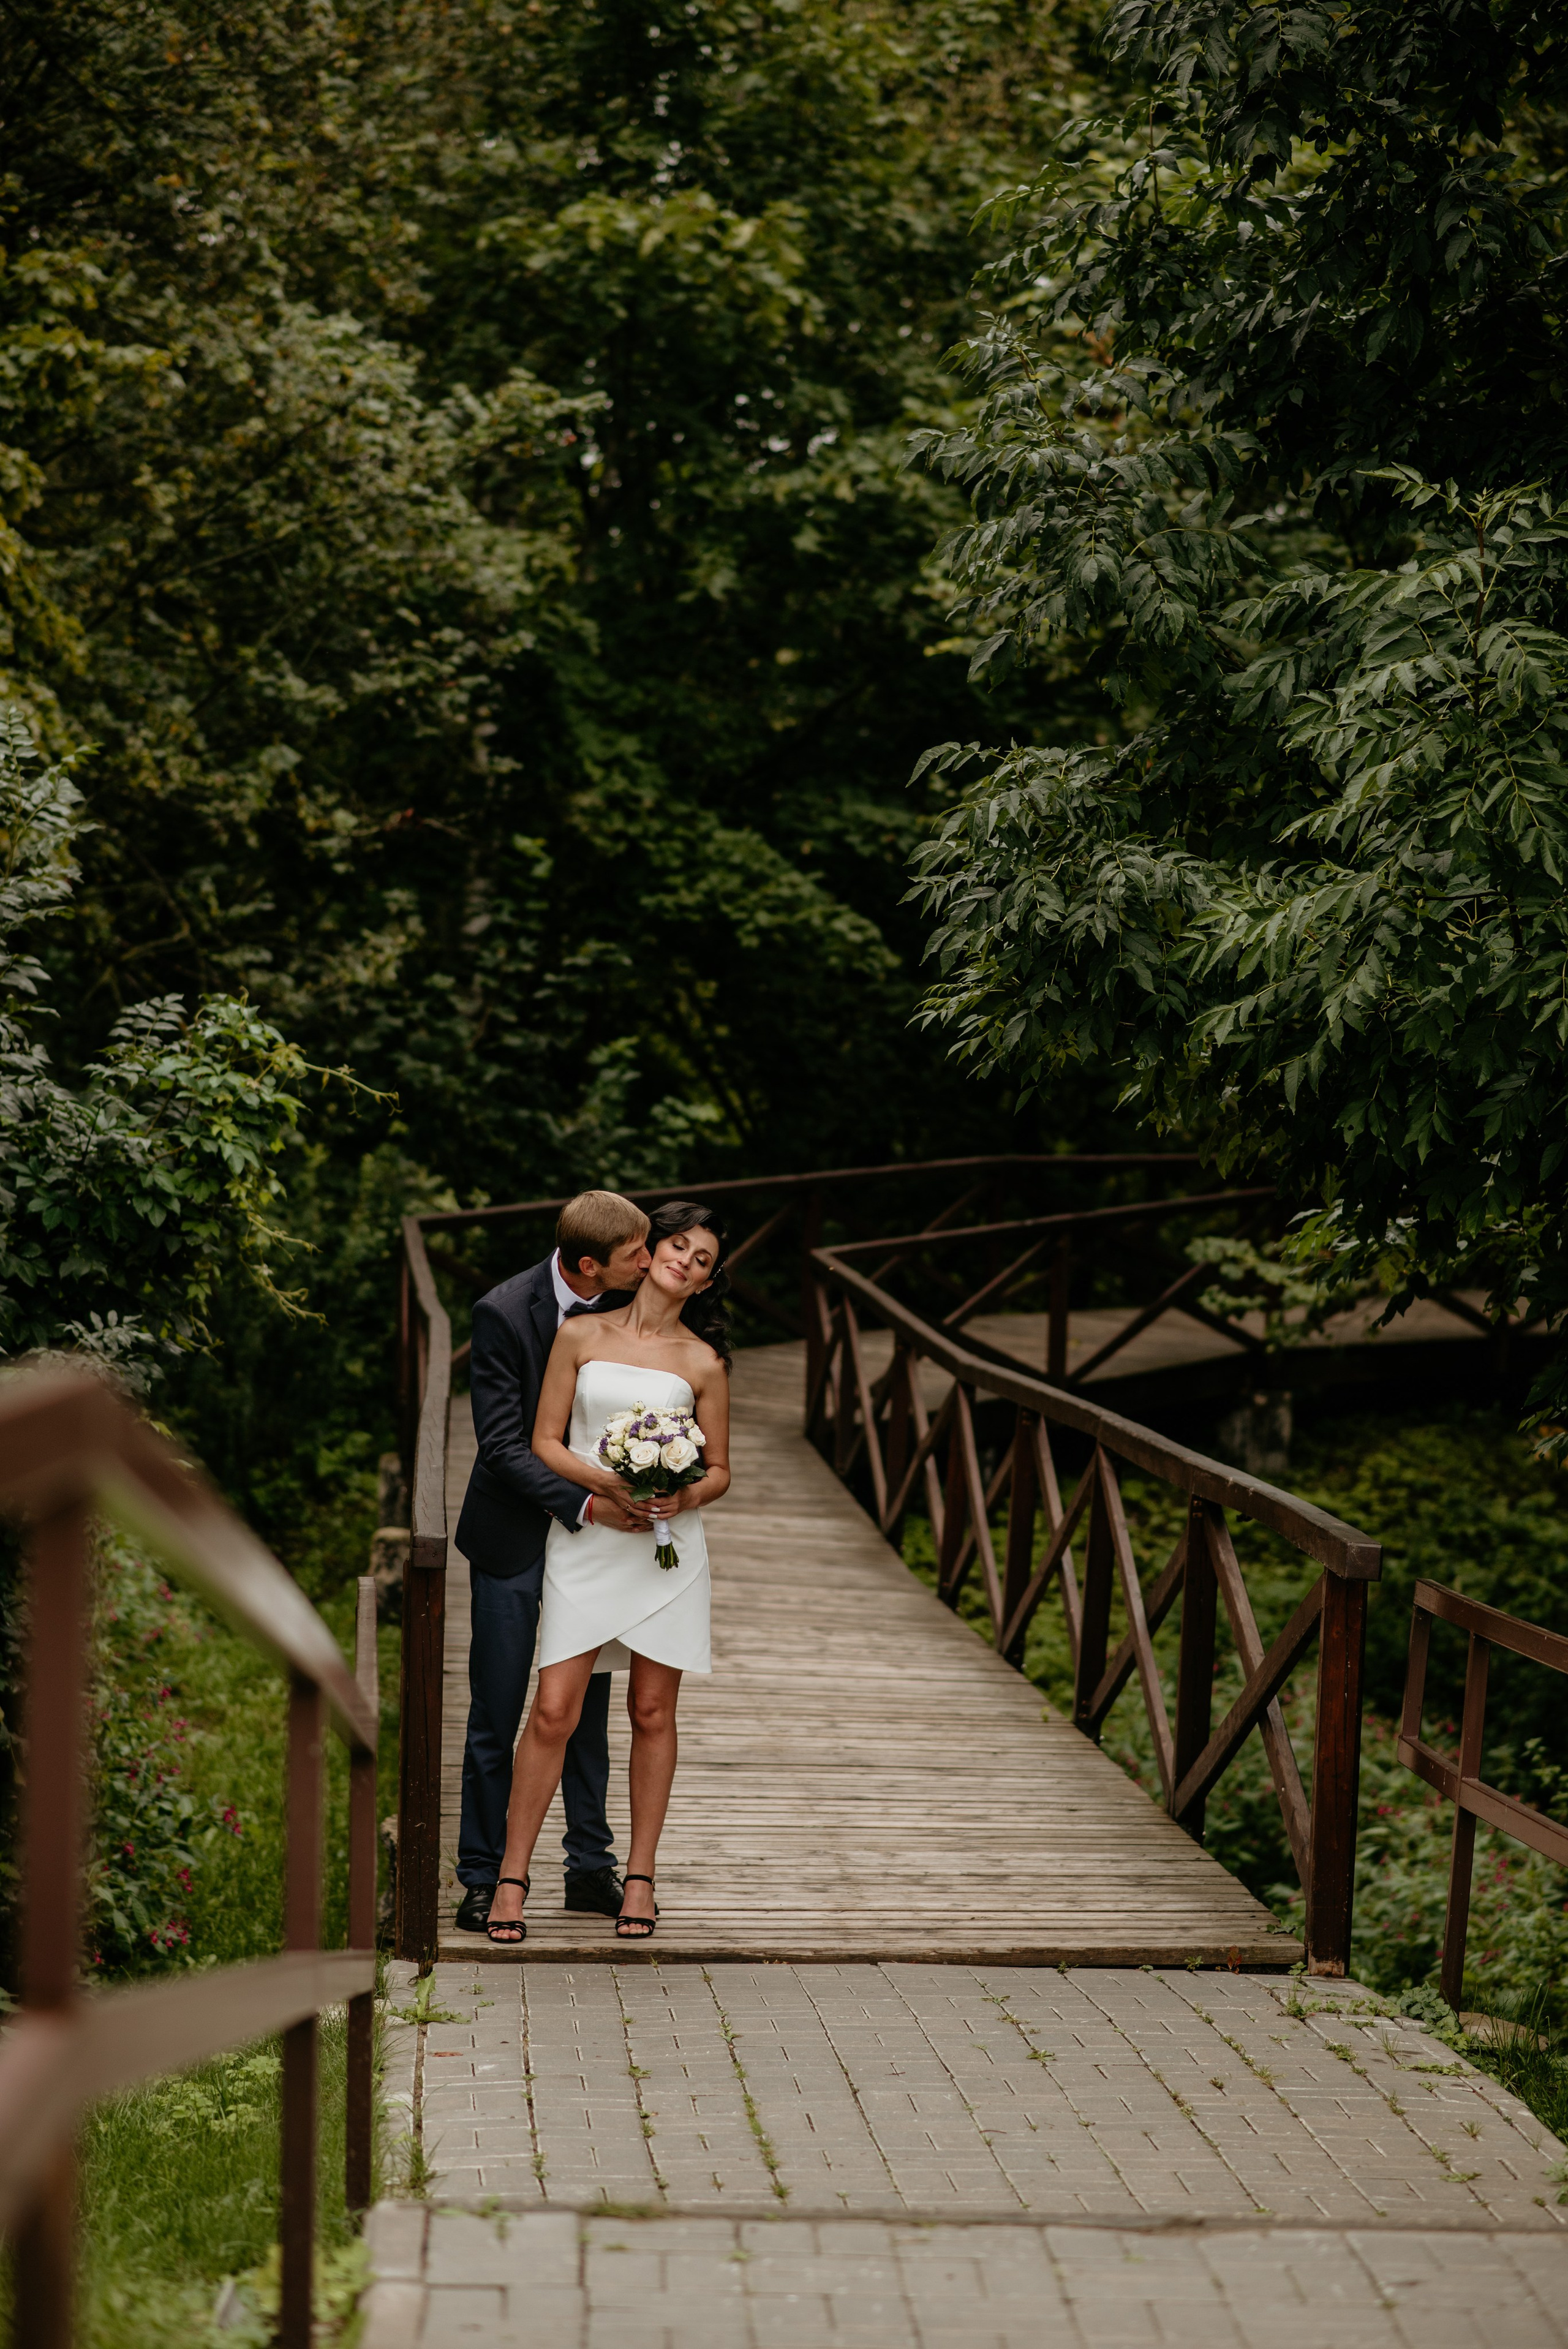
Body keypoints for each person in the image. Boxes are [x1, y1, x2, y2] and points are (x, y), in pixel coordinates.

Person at [484, 1200, 732, 1945]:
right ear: (650, 1250)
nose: (684, 1261)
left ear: (704, 1283)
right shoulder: (580, 1333)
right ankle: (511, 1875)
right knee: (554, 1709)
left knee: (652, 1712)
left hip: (666, 1549)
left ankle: (641, 1877)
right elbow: (545, 1442)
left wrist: (681, 1491)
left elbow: (720, 1469)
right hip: (591, 1539)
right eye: (678, 1245)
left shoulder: (702, 1363)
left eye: (702, 1260)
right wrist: (609, 1485)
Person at [450, 1190, 654, 1933]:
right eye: (638, 1251)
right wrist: (586, 1502)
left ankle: (588, 1866)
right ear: (592, 1263)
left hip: (596, 1546)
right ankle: (480, 1875)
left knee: (583, 1709)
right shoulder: (503, 1313)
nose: (651, 1259)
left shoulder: (628, 1308)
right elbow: (502, 1447)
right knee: (498, 1710)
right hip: (515, 1535)